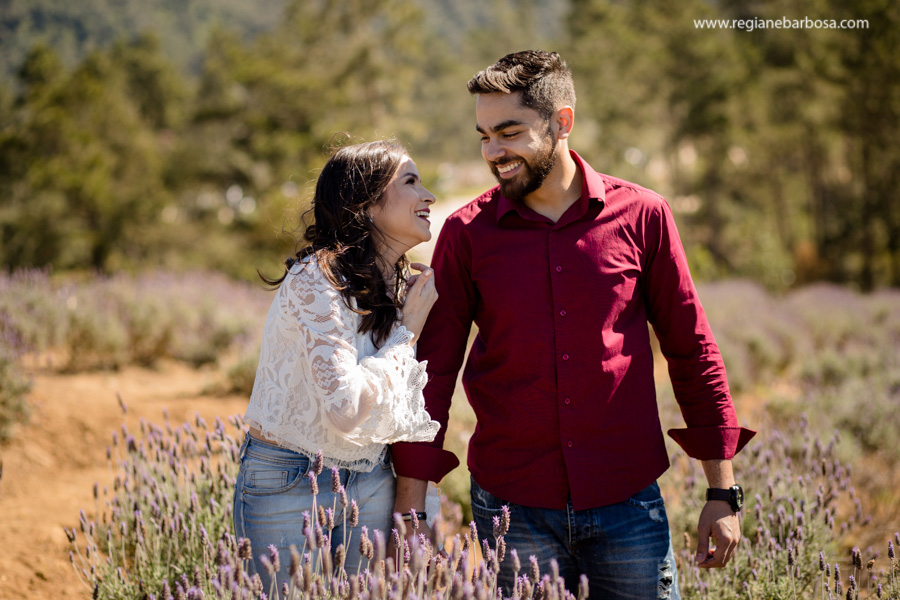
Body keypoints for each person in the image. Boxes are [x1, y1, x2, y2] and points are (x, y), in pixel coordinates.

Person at [390, 51, 756, 599]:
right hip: (512, 512)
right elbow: (433, 372)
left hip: (627, 503)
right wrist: (410, 509)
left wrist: (722, 494)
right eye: (484, 136)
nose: (494, 152)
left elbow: (692, 349)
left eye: (509, 133)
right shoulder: (467, 234)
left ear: (562, 122)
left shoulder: (644, 215)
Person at [232, 140, 441, 588]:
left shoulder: (405, 284)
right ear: (365, 205)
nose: (429, 196)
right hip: (288, 480)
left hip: (371, 477)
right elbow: (346, 409)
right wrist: (407, 332)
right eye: (411, 182)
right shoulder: (317, 280)